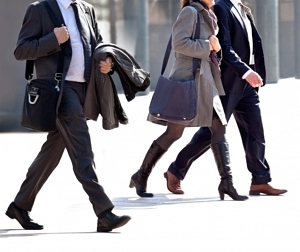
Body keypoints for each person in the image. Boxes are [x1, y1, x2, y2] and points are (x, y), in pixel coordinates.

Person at [5, 0, 131, 232]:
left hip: (85, 89)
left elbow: (98, 44)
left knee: (52, 151)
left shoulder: (86, 9)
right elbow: (21, 50)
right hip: (60, 91)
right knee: (82, 148)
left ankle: (20, 205)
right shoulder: (40, 9)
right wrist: (54, 39)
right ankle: (104, 212)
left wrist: (107, 62)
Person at [165, 0, 287, 196]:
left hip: (246, 85)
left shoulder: (242, 8)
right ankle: (176, 169)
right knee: (211, 133)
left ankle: (260, 180)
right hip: (228, 83)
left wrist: (253, 73)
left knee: (255, 130)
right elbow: (225, 48)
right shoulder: (221, 7)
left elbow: (252, 45)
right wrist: (246, 72)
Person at [129, 0, 248, 201]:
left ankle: (226, 182)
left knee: (219, 127)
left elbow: (210, 48)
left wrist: (215, 48)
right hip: (189, 80)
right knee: (174, 133)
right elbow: (179, 43)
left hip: (207, 80)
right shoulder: (190, 12)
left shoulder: (209, 14)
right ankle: (141, 174)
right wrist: (207, 45)